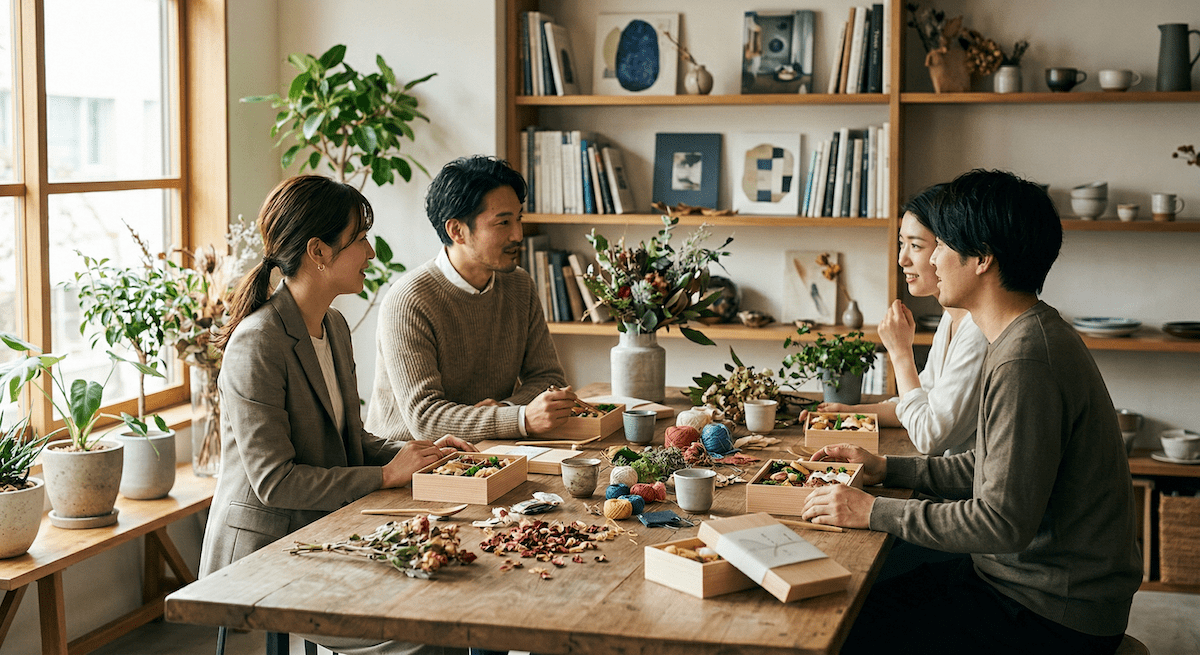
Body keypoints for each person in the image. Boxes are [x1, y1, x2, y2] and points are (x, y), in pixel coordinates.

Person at [802, 170, 1141, 655]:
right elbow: (994, 465)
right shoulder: (1024, 335)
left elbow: (1001, 523)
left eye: (942, 244)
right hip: (1023, 585)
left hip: (1049, 612)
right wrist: (887, 468)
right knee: (853, 601)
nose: (932, 258)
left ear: (982, 257)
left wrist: (872, 510)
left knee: (839, 630)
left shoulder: (1025, 359)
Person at [199, 175, 475, 655]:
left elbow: (349, 440)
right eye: (360, 239)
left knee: (452, 597)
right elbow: (276, 483)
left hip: (322, 530)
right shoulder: (258, 341)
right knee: (420, 631)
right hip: (263, 550)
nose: (370, 253)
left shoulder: (335, 325)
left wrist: (421, 453)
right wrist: (388, 474)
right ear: (318, 252)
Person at [366, 155, 575, 443]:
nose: (518, 234)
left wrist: (506, 410)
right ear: (457, 231)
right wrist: (521, 418)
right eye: (503, 223)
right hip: (410, 464)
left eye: (519, 219)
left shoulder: (519, 285)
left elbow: (549, 380)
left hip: (491, 453)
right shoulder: (408, 300)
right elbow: (425, 420)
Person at [812, 185, 988, 456]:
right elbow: (922, 399)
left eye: (916, 245)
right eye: (901, 243)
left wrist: (900, 352)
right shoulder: (951, 317)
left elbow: (929, 436)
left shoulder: (978, 331)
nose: (901, 258)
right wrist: (852, 413)